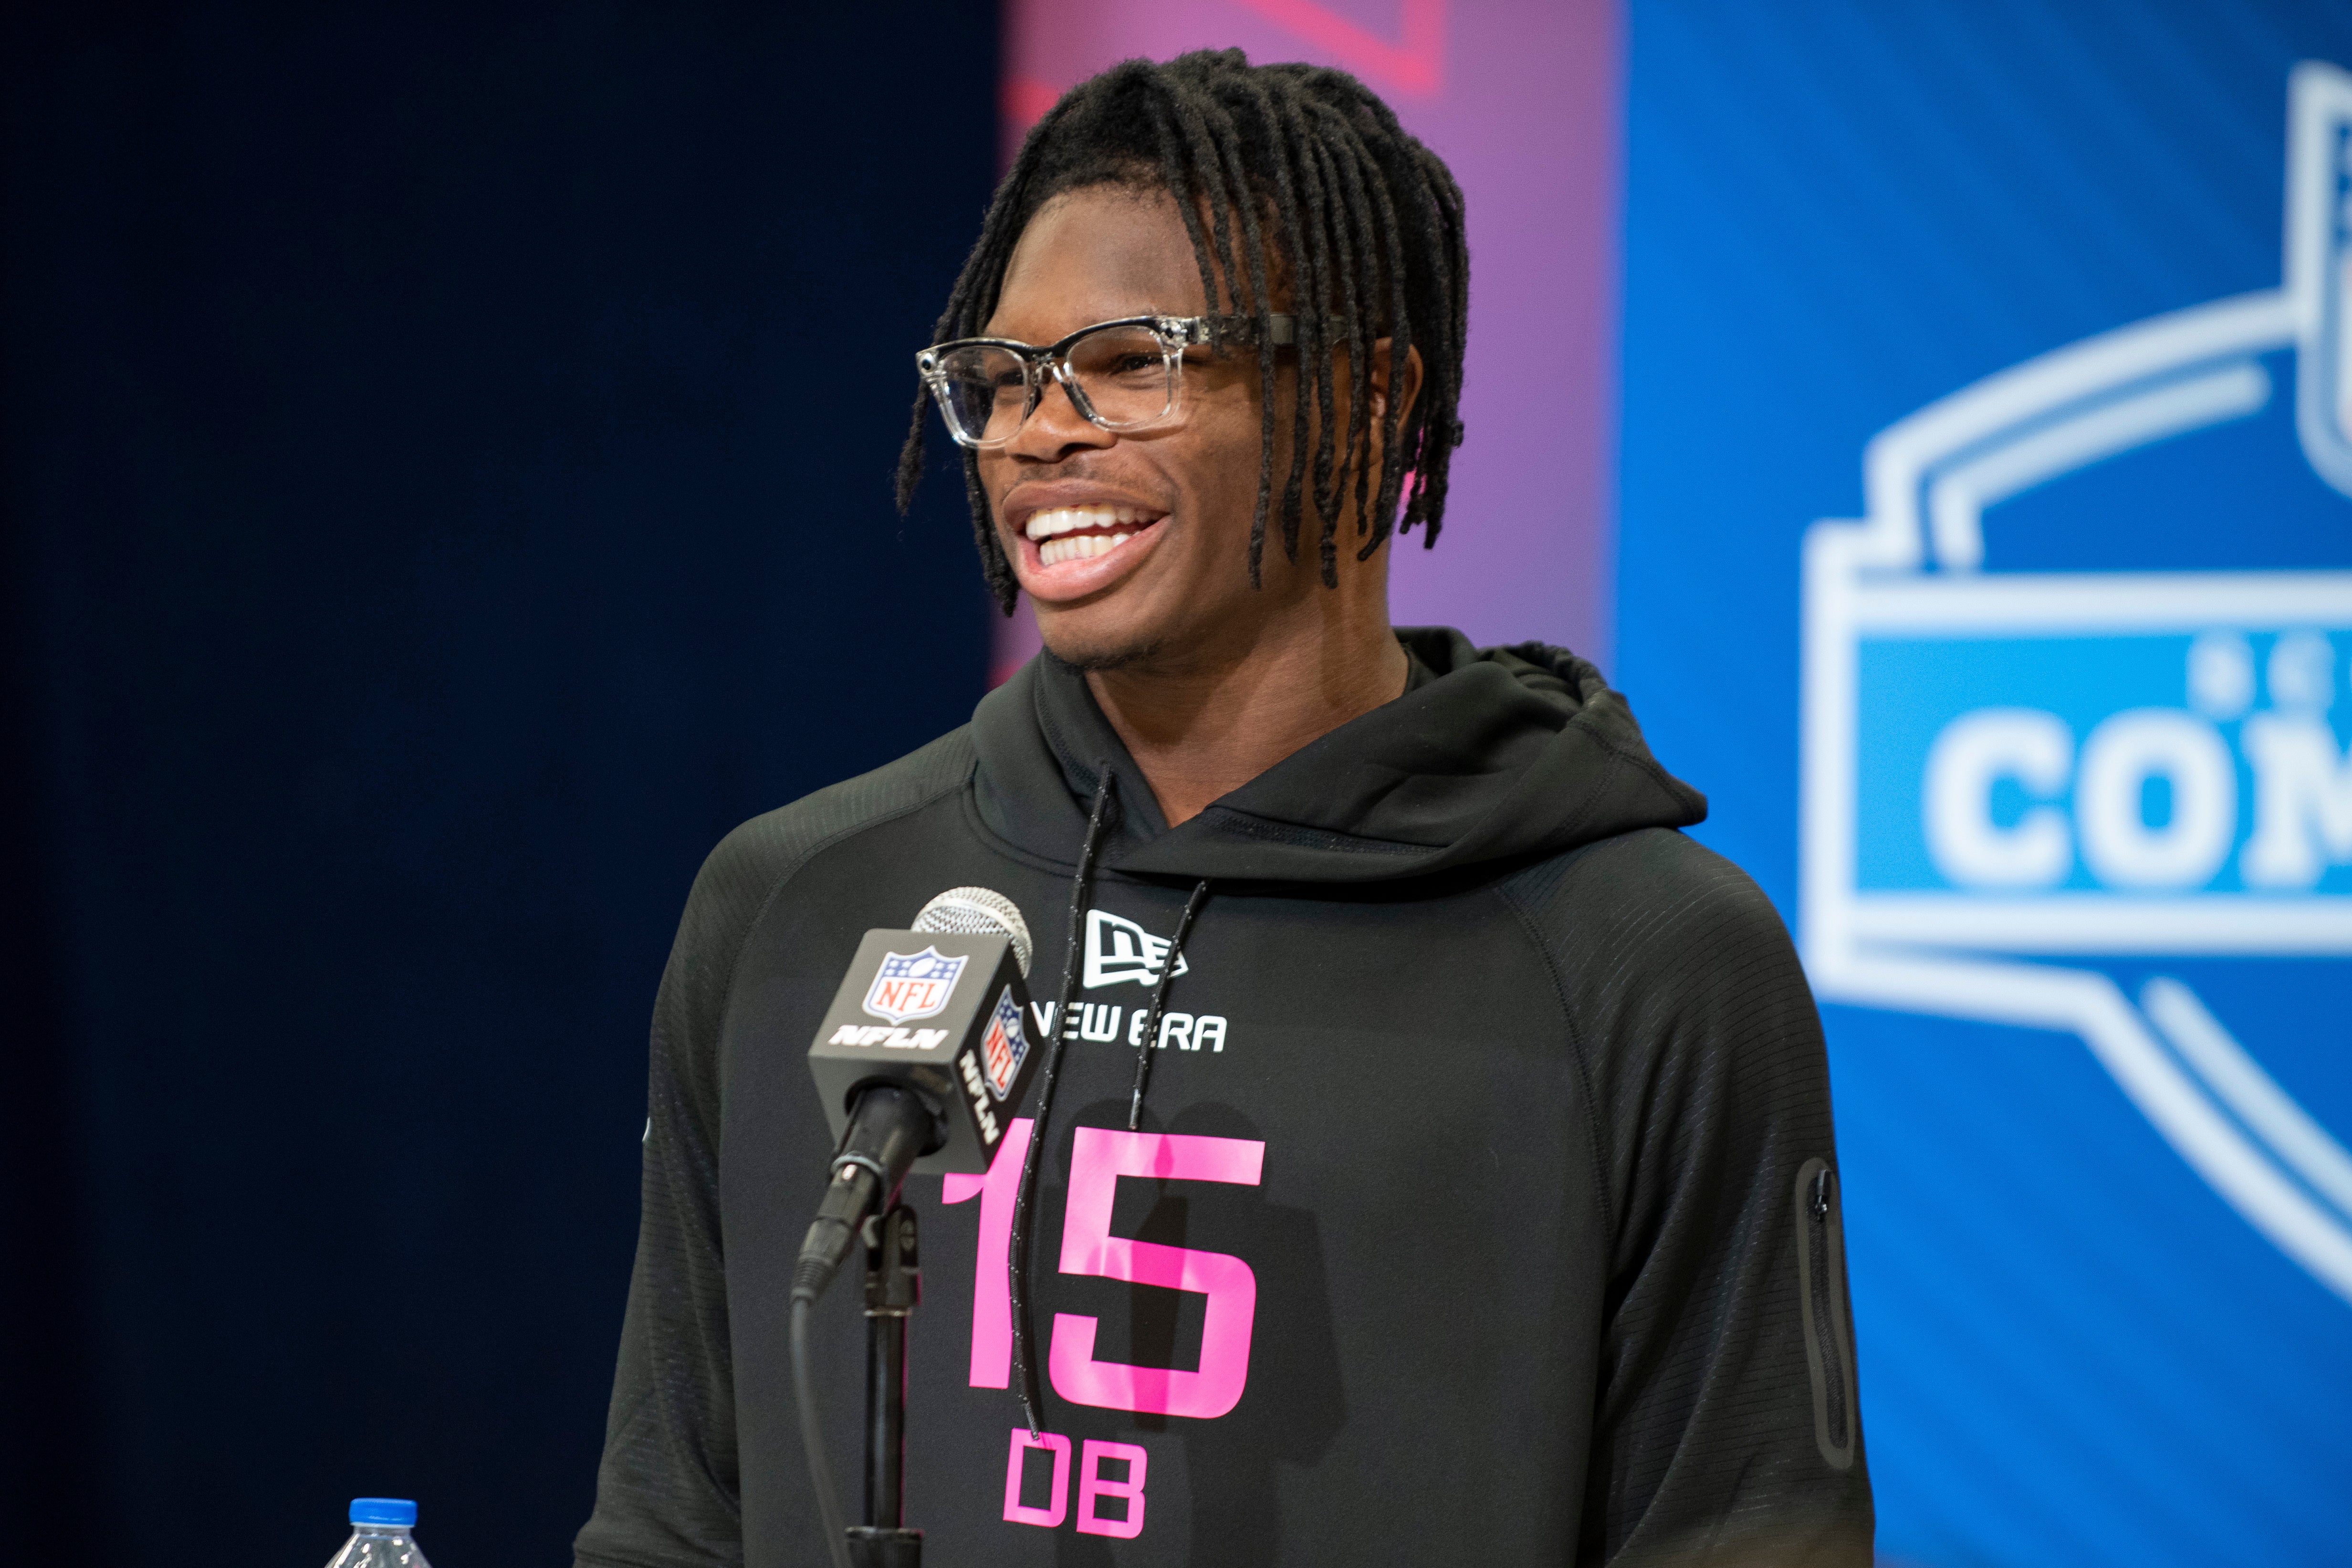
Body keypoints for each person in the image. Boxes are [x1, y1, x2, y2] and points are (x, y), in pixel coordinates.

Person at [575, 50, 1871, 1568]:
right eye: (1002, 378)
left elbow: (1748, 1535)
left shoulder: (1645, 960)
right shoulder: (795, 899)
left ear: (1372, 398)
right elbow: (670, 1523)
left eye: (1133, 362)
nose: (1041, 432)